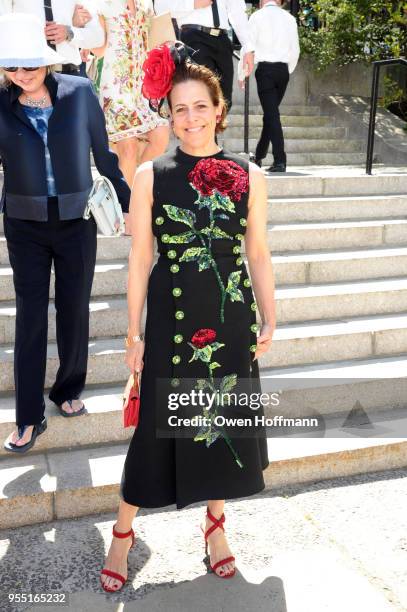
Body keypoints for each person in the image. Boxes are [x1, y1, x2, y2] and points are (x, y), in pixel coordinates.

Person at [99, 42, 275, 592]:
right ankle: (123, 534)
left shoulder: (248, 174)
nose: (190, 118)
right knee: (154, 431)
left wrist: (271, 317)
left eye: (200, 107)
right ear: (168, 116)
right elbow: (139, 259)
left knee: (217, 425)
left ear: (218, 109)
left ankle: (216, 527)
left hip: (229, 322)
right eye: (179, 109)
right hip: (172, 324)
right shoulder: (152, 176)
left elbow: (258, 253)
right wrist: (133, 333)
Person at [0, 13, 130, 453]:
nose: (22, 75)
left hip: (77, 220)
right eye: (12, 68)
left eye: (29, 65)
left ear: (47, 61)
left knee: (74, 308)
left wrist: (129, 203)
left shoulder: (79, 93)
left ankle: (68, 389)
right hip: (24, 225)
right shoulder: (0, 103)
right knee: (31, 318)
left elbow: (104, 155)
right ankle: (28, 415)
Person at [93, 0, 170, 187]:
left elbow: (154, 39)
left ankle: (136, 190)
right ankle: (128, 206)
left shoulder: (145, 3)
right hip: (115, 85)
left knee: (161, 134)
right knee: (128, 147)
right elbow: (98, 48)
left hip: (143, 84)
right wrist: (82, 27)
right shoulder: (101, 3)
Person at [154, 0, 255, 111]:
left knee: (224, 103)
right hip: (194, 37)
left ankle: (213, 128)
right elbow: (161, 6)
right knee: (199, 98)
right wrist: (192, 3)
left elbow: (237, 9)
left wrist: (247, 48)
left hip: (223, 40)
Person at [246, 0, 300, 172]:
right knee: (271, 115)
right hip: (283, 71)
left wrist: (242, 73)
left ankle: (280, 160)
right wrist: (286, 70)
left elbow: (248, 47)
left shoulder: (256, 16)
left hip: (266, 70)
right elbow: (296, 50)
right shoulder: (290, 18)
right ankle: (259, 156)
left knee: (272, 115)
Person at [0, 0, 104, 76]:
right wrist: (34, 33)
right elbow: (4, 32)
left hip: (69, 75)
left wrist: (70, 31)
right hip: (27, 77)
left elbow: (98, 38)